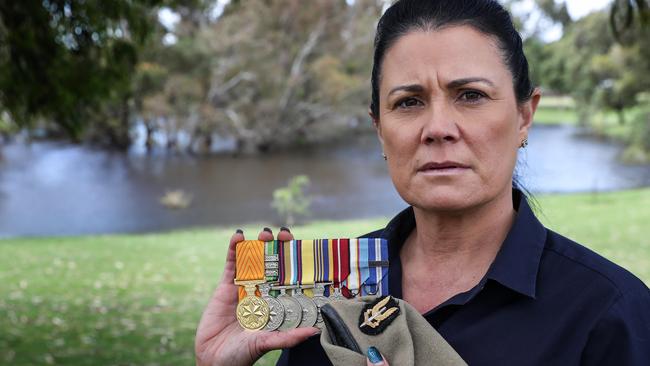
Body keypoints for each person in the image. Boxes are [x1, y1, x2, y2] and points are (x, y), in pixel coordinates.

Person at [195, 0, 650, 365]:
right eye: (409, 102)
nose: (437, 128)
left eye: (470, 96)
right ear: (379, 128)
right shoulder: (325, 295)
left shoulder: (608, 313)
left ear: (524, 117)